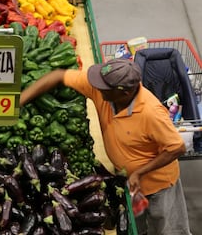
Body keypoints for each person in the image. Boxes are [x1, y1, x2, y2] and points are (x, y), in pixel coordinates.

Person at [20, 58, 191, 235]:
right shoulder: (105, 91)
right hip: (129, 182)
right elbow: (58, 75)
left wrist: (140, 172)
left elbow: (177, 147)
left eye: (103, 87)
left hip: (159, 185)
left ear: (123, 92)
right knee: (137, 227)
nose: (96, 87)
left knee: (167, 229)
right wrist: (19, 101)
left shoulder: (151, 113)